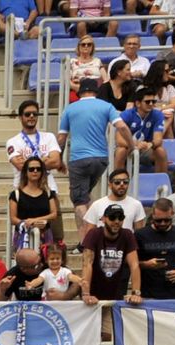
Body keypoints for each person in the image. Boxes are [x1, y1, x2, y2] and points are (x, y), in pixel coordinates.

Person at [59, 77, 131, 230]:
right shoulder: (106, 106)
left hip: (79, 159)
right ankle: (97, 229)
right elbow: (122, 127)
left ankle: (86, 238)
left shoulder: (70, 108)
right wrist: (132, 145)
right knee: (86, 195)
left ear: (80, 92)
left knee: (79, 201)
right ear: (96, 92)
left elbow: (62, 138)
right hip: (101, 159)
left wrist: (59, 159)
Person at [80, 203, 143, 305]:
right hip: (94, 290)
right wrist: (86, 293)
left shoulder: (127, 235)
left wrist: (136, 293)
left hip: (116, 291)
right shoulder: (94, 234)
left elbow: (134, 265)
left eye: (120, 218)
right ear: (103, 219)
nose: (117, 221)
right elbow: (87, 264)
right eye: (112, 218)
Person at [135, 197, 175, 300]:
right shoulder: (140, 235)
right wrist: (147, 264)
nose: (163, 223)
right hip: (149, 293)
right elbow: (131, 263)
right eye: (158, 220)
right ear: (152, 215)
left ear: (172, 214)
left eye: (167, 220)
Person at [10, 156, 60, 252]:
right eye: (31, 169)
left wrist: (35, 220)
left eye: (38, 169)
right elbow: (13, 219)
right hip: (23, 235)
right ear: (26, 172)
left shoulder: (48, 193)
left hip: (44, 235)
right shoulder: (16, 194)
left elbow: (54, 214)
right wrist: (27, 224)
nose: (35, 171)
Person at [116, 90, 169, 176]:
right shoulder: (126, 114)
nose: (151, 104)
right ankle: (118, 182)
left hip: (145, 148)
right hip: (129, 148)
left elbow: (158, 140)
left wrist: (150, 144)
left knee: (160, 151)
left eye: (153, 101)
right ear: (138, 103)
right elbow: (119, 140)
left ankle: (161, 185)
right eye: (148, 102)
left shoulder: (158, 115)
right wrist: (135, 145)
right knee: (120, 151)